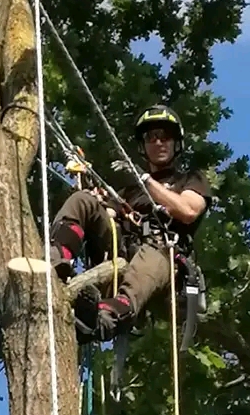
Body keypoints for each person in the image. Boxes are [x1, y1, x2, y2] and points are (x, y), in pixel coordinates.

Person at [49, 104, 213, 342]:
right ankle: (56, 262)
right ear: (143, 145)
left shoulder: (190, 179)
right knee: (83, 200)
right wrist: (96, 195)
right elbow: (107, 214)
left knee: (149, 259)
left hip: (163, 253)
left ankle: (104, 319)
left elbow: (188, 211)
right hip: (122, 250)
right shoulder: (129, 192)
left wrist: (145, 180)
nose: (158, 142)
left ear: (176, 142)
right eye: (151, 137)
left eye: (165, 136)